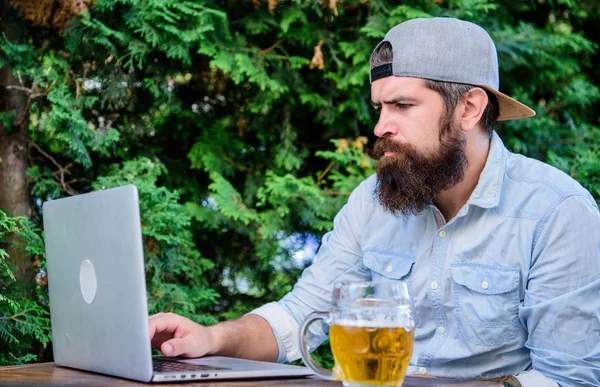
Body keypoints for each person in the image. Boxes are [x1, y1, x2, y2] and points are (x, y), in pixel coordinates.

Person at [148, 17, 600, 387]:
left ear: (469, 108)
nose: (381, 126)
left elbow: (569, 378)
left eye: (402, 105)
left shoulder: (557, 211)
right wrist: (212, 337)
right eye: (378, 108)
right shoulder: (372, 200)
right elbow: (301, 315)